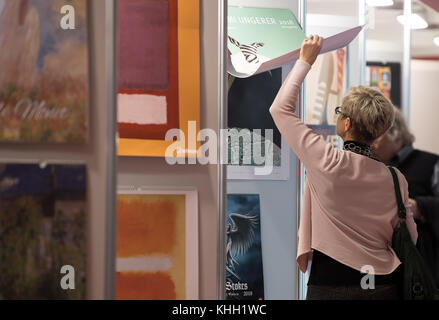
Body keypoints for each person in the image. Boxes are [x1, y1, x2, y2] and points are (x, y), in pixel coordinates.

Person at [269, 35, 418, 300]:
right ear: (379, 132)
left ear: (346, 124)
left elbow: (281, 109)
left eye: (339, 113)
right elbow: (411, 237)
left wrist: (305, 61)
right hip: (381, 284)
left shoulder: (325, 160)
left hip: (329, 282)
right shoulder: (396, 179)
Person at [372, 108, 439, 290]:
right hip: (379, 272)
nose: (371, 145)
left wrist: (421, 208)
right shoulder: (369, 168)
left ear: (396, 134)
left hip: (420, 270)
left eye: (376, 137)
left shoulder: (431, 163)